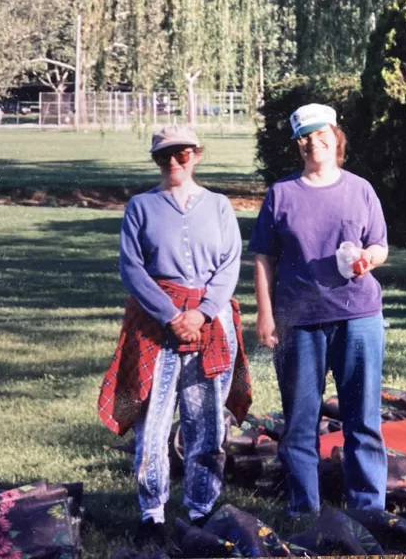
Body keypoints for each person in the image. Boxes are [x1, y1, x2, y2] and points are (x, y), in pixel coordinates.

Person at [97, 124, 252, 547]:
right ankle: (153, 512)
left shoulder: (219, 206)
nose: (173, 161)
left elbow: (230, 266)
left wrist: (201, 313)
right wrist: (170, 315)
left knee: (206, 422)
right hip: (156, 325)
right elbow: (132, 268)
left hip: (210, 323)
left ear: (197, 155)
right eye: (164, 155)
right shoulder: (141, 207)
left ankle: (202, 507)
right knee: (154, 420)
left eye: (182, 153)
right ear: (155, 160)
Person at [248, 103, 389, 518]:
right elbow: (263, 258)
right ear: (298, 145)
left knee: (362, 420)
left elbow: (379, 244)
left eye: (321, 133)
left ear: (336, 136)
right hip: (299, 322)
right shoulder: (282, 194)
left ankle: (369, 510)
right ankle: (303, 511)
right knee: (299, 422)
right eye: (305, 137)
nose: (314, 142)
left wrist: (368, 259)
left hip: (358, 316)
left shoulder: (360, 189)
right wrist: (265, 312)